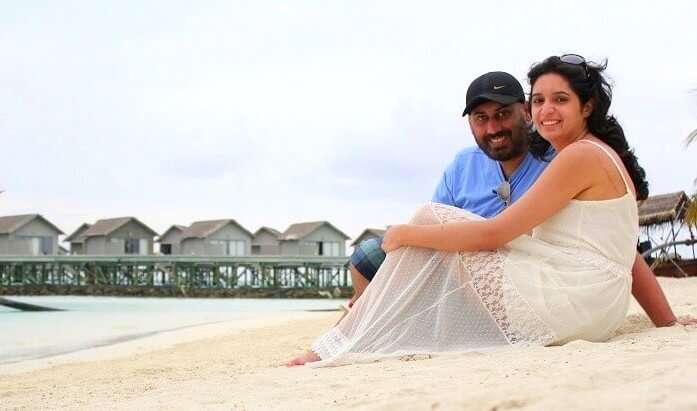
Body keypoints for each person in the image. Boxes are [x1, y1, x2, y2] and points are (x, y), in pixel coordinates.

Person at [287, 55, 689, 367]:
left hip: (572, 302)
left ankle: (338, 343)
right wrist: (666, 323)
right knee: (393, 248)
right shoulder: (591, 154)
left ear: (587, 107)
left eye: (561, 100)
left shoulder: (575, 158)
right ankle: (357, 328)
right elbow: (618, 249)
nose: (547, 110)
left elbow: (495, 234)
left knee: (426, 218)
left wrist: (404, 235)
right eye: (540, 100)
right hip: (591, 306)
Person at [346, 71, 685, 330]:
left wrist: (665, 320)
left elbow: (616, 245)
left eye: (503, 114)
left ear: (524, 113)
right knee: (369, 254)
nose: (493, 127)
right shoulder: (462, 166)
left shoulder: (558, 160)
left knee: (411, 235)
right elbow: (433, 239)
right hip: (468, 275)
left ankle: (364, 325)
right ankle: (362, 316)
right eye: (481, 118)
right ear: (470, 125)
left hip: (533, 281)